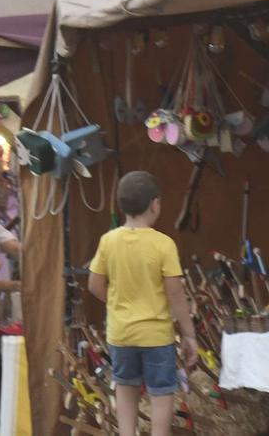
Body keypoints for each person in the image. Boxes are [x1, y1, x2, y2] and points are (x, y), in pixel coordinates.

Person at [84, 172, 199, 436]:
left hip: (121, 333)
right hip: (157, 336)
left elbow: (94, 285)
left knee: (125, 387)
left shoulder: (108, 241)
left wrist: (115, 302)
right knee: (161, 392)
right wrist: (189, 334)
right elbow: (176, 295)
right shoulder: (164, 245)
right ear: (155, 204)